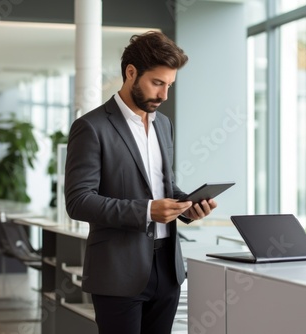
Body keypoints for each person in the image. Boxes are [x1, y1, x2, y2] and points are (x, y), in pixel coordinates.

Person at [64, 31, 217, 334]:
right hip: (118, 272)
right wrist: (147, 211)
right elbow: (79, 201)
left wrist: (187, 205)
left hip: (168, 269)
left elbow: (163, 187)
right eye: (157, 83)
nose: (164, 95)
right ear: (131, 72)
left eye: (169, 85)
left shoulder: (163, 124)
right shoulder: (91, 127)